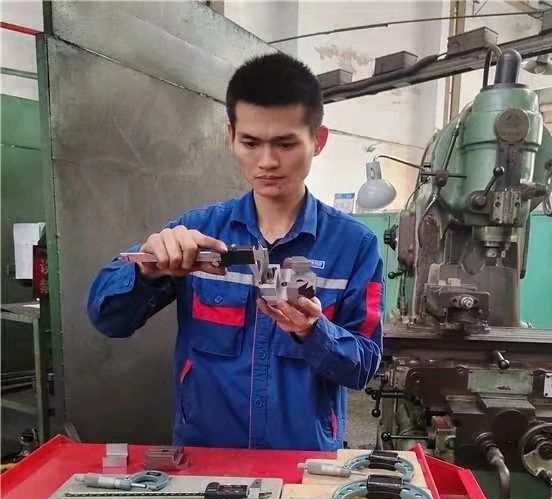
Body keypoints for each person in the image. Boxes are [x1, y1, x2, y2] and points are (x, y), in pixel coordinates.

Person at [88, 52, 383, 451]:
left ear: (318, 140)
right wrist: (146, 272)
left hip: (303, 464)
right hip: (206, 457)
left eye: (285, 143)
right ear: (230, 136)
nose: (267, 161)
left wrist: (313, 332)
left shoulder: (354, 246)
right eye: (250, 143)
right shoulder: (198, 233)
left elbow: (364, 367)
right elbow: (107, 319)